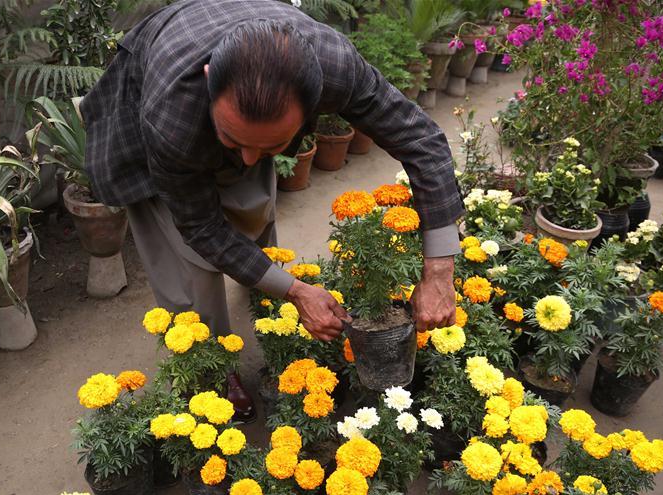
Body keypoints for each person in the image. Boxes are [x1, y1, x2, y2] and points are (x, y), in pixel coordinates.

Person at [81, 0, 464, 421]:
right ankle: (208, 372)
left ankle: (266, 305)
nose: (249, 160)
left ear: (317, 102)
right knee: (188, 266)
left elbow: (422, 142)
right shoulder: (171, 115)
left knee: (254, 208)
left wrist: (440, 272)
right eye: (233, 139)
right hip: (158, 89)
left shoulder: (334, 67)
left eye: (271, 145)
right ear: (210, 83)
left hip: (235, 58)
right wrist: (297, 290)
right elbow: (201, 226)